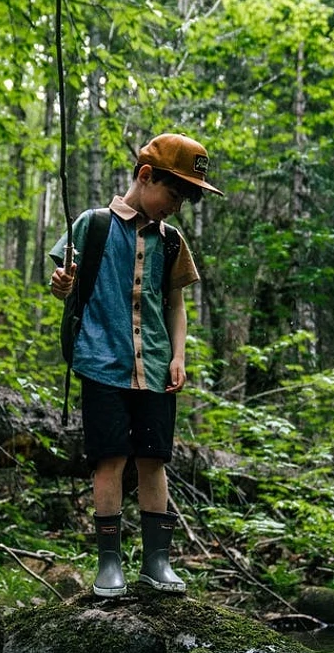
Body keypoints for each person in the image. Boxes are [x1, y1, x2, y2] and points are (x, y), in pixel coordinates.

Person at [49, 133, 223, 597]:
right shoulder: (93, 225)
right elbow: (61, 280)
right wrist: (61, 283)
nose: (178, 206)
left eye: (186, 199)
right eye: (175, 193)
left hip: (157, 369)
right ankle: (110, 564)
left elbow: (175, 306)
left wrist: (179, 356)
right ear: (146, 176)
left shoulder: (172, 242)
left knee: (154, 460)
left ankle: (156, 562)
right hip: (101, 364)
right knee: (109, 459)